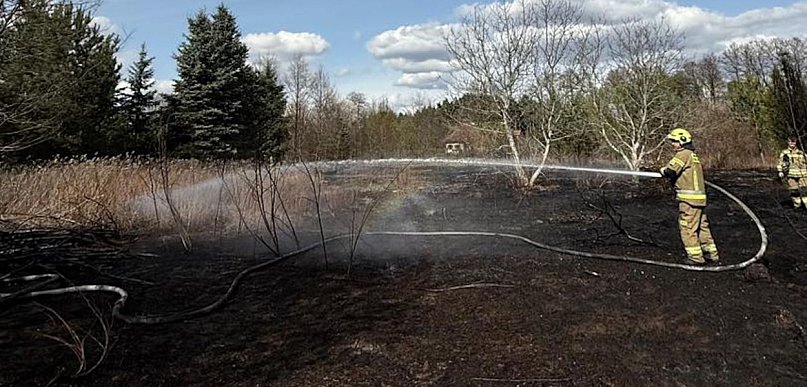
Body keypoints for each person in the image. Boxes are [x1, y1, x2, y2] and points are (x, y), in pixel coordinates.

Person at [660, 128, 719, 266]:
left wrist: (662, 171)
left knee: (687, 227)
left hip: (688, 200)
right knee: (702, 227)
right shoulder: (693, 155)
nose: (673, 144)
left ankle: (695, 258)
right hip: (699, 200)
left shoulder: (683, 154)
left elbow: (671, 171)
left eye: (674, 141)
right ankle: (710, 254)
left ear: (682, 141)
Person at [776, 136, 807, 209]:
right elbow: (780, 162)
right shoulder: (784, 152)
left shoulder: (801, 152)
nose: (792, 143)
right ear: (788, 142)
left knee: (805, 190)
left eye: (793, 142)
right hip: (791, 175)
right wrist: (780, 171)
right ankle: (797, 205)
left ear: (796, 143)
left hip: (803, 175)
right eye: (790, 141)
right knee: (794, 191)